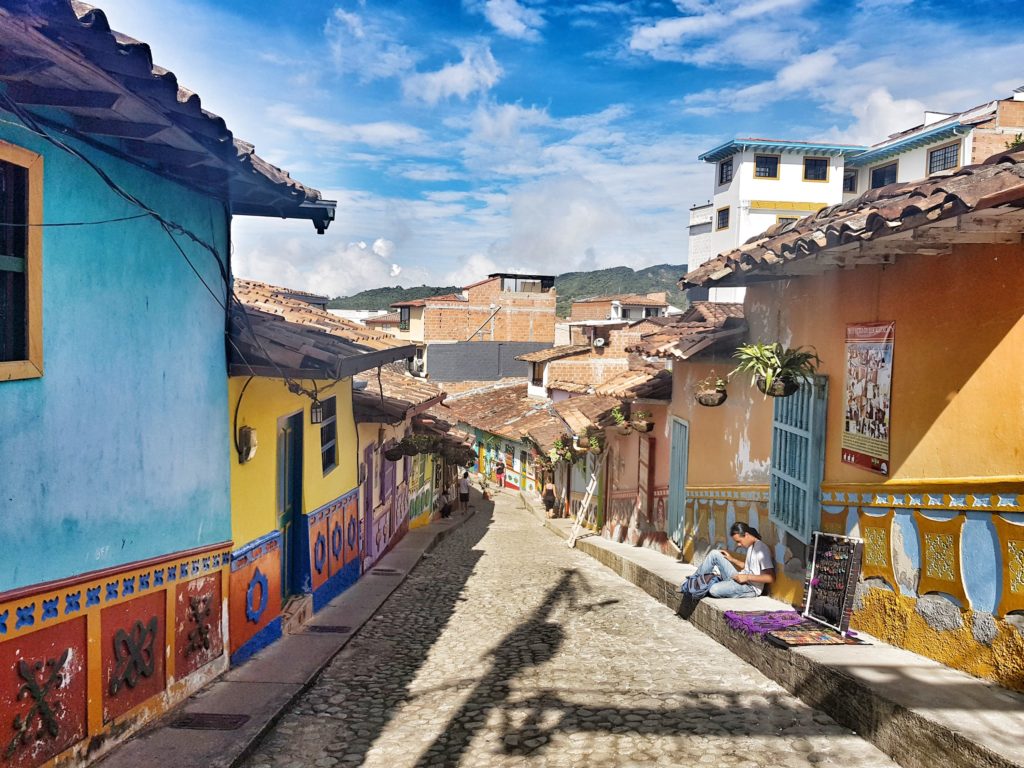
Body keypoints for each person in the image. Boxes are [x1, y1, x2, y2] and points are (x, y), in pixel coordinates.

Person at [685, 522, 774, 598]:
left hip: (750, 587)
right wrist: (732, 559)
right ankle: (692, 582)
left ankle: (710, 583)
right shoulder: (751, 546)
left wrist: (747, 577)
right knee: (715, 554)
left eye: (739, 541)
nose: (738, 545)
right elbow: (750, 567)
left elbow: (771, 578)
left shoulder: (762, 549)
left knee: (714, 590)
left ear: (746, 535)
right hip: (739, 578)